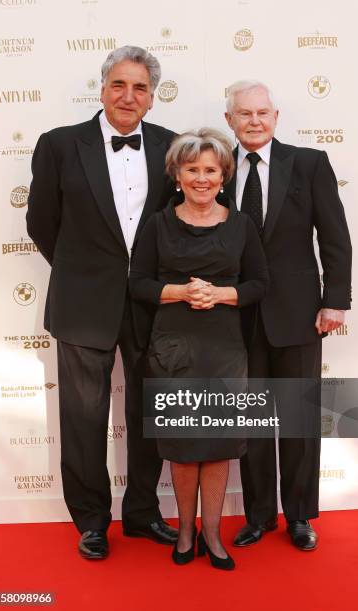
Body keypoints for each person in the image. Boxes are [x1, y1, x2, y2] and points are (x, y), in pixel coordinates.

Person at [26, 45, 178, 560]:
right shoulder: (59, 145)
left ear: (152, 99)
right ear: (102, 88)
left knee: (150, 413)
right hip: (82, 302)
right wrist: (82, 271)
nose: (127, 96)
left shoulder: (172, 146)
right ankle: (91, 520)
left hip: (152, 305)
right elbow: (41, 223)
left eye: (139, 88)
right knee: (83, 416)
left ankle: (141, 514)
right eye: (119, 84)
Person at [129, 128, 269, 569]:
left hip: (224, 346)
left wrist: (220, 295)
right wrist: (182, 292)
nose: (202, 178)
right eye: (193, 169)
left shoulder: (242, 224)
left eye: (210, 170)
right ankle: (185, 532)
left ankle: (213, 533)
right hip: (173, 345)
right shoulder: (158, 224)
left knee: (220, 443)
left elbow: (259, 284)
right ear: (178, 175)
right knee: (184, 444)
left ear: (223, 176)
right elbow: (139, 284)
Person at [224, 81, 352, 550]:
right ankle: (258, 516)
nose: (254, 121)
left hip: (300, 315)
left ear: (276, 116)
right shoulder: (216, 167)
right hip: (237, 317)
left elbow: (334, 236)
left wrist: (335, 299)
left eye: (262, 112)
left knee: (297, 421)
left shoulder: (309, 163)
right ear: (230, 121)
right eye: (244, 114)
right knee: (252, 424)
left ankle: (299, 516)